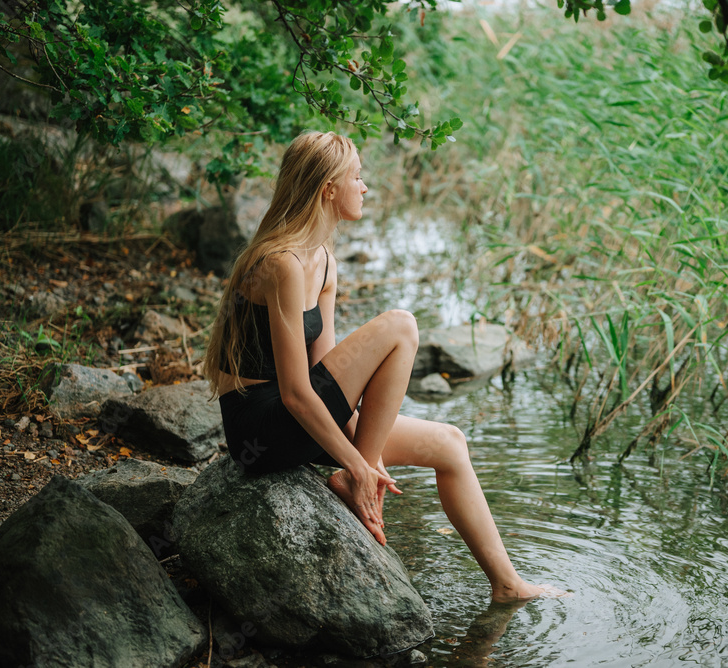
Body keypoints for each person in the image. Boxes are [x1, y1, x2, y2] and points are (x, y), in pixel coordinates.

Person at [204, 131, 559, 602]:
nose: (364, 186)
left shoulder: (323, 262)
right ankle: (356, 477)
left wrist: (357, 445)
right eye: (357, 176)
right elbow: (295, 392)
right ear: (328, 188)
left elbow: (327, 378)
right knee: (400, 326)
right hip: (261, 430)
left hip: (300, 420)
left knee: (451, 443)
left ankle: (507, 585)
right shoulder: (280, 263)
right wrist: (358, 464)